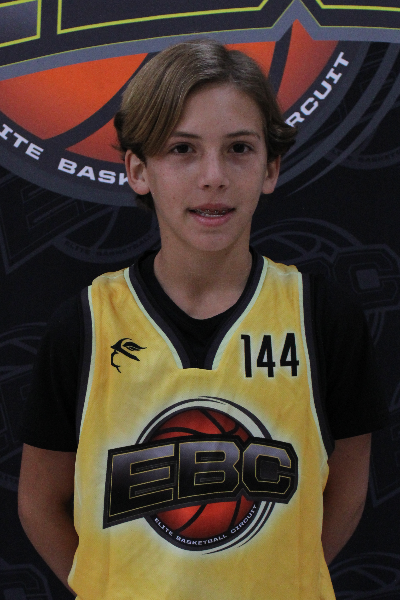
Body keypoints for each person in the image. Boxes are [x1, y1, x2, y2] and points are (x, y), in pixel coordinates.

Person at [18, 39, 385, 600]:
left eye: (238, 148)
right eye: (182, 149)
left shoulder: (322, 317)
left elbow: (349, 489)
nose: (213, 176)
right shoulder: (87, 323)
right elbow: (39, 502)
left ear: (270, 168)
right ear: (139, 170)